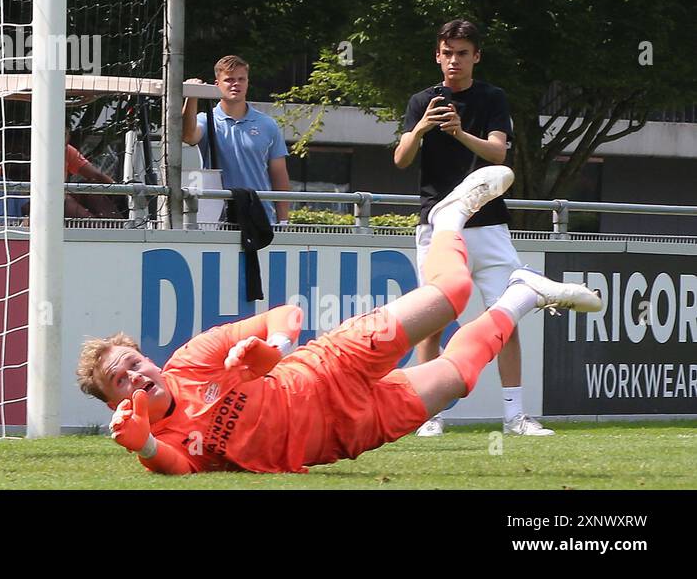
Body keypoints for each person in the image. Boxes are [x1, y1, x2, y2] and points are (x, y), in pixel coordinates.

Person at [79, 167, 602, 475]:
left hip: (327, 364)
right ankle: (521, 295)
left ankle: (446, 219)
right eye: (120, 381)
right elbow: (174, 466)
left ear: (148, 357)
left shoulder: (191, 361)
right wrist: (143, 444)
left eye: (132, 363)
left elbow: (286, 314)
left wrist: (276, 350)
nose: (135, 376)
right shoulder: (156, 440)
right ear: (117, 404)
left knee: (452, 292)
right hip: (342, 430)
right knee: (458, 379)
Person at [392, 18, 543, 436]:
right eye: (446, 53)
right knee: (432, 319)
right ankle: (429, 414)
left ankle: (515, 416)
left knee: (504, 317)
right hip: (437, 225)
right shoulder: (421, 100)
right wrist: (421, 127)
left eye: (461, 53)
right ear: (437, 55)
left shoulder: (492, 98)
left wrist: (460, 132)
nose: (453, 60)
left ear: (476, 56)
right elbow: (401, 159)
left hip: (489, 224)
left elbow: (497, 154)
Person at [182, 54, 290, 224]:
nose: (236, 84)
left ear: (247, 82)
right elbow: (188, 136)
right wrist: (192, 96)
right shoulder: (206, 119)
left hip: (260, 216)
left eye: (241, 79)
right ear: (217, 85)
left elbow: (279, 174)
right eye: (229, 80)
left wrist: (283, 220)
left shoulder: (268, 124)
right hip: (216, 219)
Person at [64, 141, 122, 219]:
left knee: (91, 189)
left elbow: (96, 175)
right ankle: (96, 226)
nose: (63, 138)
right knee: (64, 199)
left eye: (66, 134)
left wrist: (122, 191)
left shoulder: (67, 150)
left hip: (63, 194)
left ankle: (120, 225)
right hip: (50, 199)